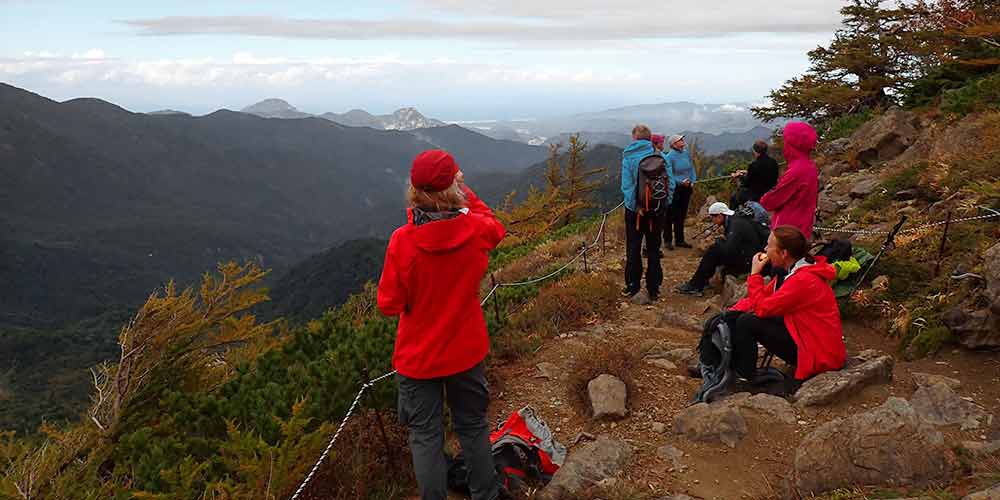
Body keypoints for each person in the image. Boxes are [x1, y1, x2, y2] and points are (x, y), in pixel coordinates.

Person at [377, 149, 506, 500]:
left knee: (425, 437)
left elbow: (389, 305)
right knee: (473, 427)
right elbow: (494, 225)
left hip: (418, 358)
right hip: (466, 349)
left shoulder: (402, 242)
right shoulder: (477, 230)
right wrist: (467, 192)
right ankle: (486, 494)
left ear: (414, 189)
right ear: (453, 187)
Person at [725, 225, 846, 381]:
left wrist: (755, 274)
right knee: (740, 318)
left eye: (769, 246)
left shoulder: (802, 280)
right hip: (808, 337)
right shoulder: (793, 272)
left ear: (783, 253)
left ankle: (746, 375)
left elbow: (762, 308)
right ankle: (732, 365)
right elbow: (762, 299)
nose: (765, 249)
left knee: (747, 322)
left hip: (819, 353)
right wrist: (731, 312)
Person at [675, 202, 768, 296]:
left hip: (749, 262)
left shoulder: (735, 224)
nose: (712, 221)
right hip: (752, 257)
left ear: (719, 216)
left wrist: (719, 242)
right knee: (717, 248)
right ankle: (701, 281)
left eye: (713, 217)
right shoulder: (736, 219)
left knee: (714, 250)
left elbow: (729, 250)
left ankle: (695, 285)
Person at [621, 124, 667, 300]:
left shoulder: (628, 158)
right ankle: (654, 288)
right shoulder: (660, 156)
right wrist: (662, 205)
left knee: (633, 248)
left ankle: (632, 286)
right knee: (654, 249)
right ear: (649, 138)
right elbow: (668, 185)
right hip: (657, 211)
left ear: (634, 138)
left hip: (635, 213)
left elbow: (627, 186)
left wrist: (635, 207)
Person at [760, 122, 819, 239]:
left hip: (787, 235)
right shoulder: (809, 166)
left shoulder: (796, 171)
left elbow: (769, 202)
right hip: (801, 229)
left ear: (792, 144)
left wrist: (766, 196)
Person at [664, 134, 696, 249]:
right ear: (673, 144)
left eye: (682, 139)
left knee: (681, 214)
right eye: (680, 140)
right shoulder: (669, 157)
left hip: (687, 188)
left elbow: (691, 168)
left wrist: (692, 180)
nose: (683, 141)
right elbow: (669, 174)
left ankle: (680, 239)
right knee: (670, 214)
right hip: (675, 188)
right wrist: (681, 182)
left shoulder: (686, 153)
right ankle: (667, 240)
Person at [730, 139, 779, 207]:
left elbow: (747, 183)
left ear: (755, 151)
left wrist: (739, 176)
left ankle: (733, 216)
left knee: (734, 197)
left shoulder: (754, 165)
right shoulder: (773, 162)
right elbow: (763, 173)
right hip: (771, 191)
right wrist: (746, 172)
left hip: (757, 194)